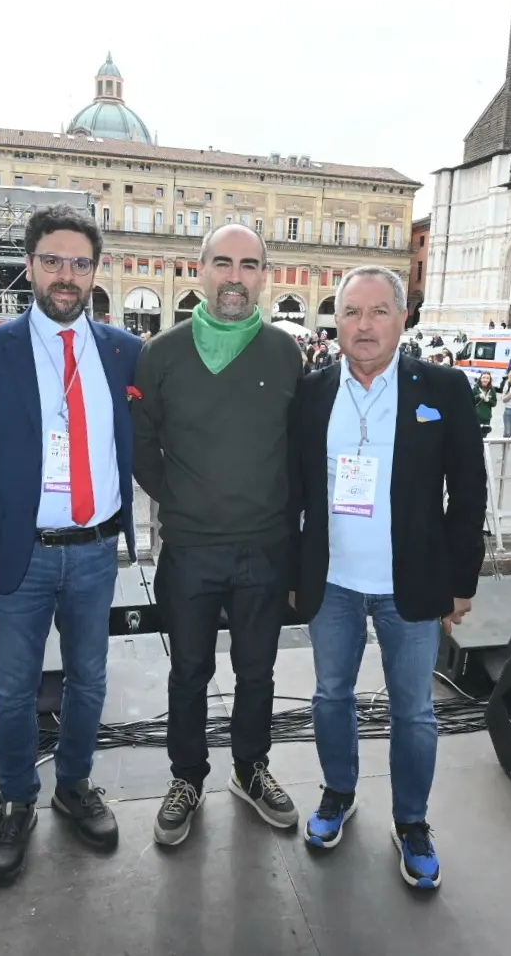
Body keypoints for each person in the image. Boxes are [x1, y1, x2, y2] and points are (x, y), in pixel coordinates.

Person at [0, 205, 142, 884]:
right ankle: (17, 800)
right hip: (18, 552)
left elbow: (151, 442)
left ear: (96, 270)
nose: (67, 275)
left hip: (95, 548)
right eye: (54, 261)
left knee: (90, 678)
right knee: (13, 686)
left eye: (81, 262)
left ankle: (75, 784)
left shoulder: (123, 351)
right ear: (29, 264)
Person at [288, 265, 486, 890]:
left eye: (378, 311)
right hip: (335, 585)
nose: (364, 325)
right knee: (329, 698)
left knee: (415, 714)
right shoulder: (313, 390)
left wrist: (463, 581)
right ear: (337, 322)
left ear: (404, 318)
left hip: (414, 586)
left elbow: (469, 490)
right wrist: (296, 571)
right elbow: (294, 491)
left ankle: (412, 823)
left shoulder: (445, 387)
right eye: (351, 312)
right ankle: (338, 793)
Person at [132, 223, 304, 847]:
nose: (236, 276)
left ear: (265, 274)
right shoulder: (163, 353)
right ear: (198, 269)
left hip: (265, 547)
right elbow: (142, 444)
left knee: (257, 671)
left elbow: (299, 450)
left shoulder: (287, 353)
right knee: (190, 673)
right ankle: (187, 777)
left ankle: (251, 769)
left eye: (250, 265)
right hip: (191, 548)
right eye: (224, 263)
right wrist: (182, 502)